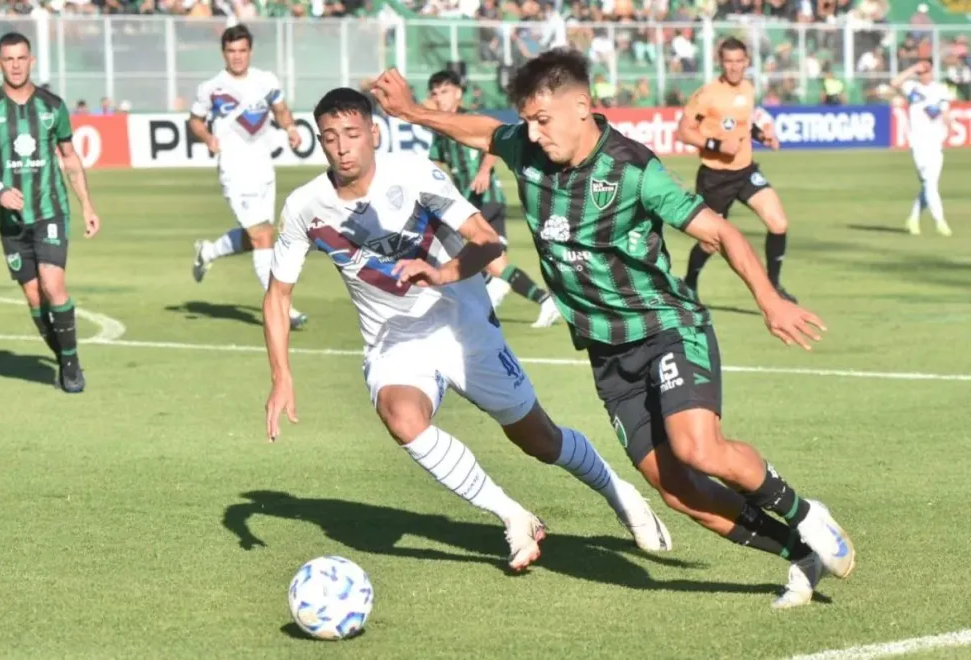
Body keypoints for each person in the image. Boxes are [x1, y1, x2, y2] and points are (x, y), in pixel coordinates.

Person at [370, 48, 856, 608]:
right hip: (607, 353)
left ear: (582, 107)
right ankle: (799, 553)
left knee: (698, 448)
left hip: (666, 326)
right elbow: (483, 131)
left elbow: (720, 232)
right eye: (526, 121)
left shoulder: (633, 170)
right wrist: (410, 112)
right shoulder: (527, 148)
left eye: (542, 120)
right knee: (678, 491)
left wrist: (769, 300)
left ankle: (806, 514)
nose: (532, 133)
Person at [262, 87, 672, 572]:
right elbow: (278, 295)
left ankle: (619, 492)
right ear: (320, 141)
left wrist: (439, 274)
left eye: (352, 134)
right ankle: (513, 516)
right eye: (330, 137)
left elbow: (486, 241)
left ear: (374, 133)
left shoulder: (414, 174)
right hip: (394, 341)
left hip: (463, 327)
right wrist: (281, 376)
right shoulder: (305, 207)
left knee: (539, 440)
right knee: (402, 418)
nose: (342, 147)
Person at [0, 32, 101, 393]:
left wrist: (87, 204)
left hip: (51, 211)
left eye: (21, 58)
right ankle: (63, 354)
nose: (16, 65)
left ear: (31, 61)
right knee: (34, 296)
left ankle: (71, 365)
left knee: (52, 284)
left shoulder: (53, 105)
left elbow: (69, 158)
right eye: (9, 59)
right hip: (11, 220)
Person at [188, 23, 308, 329]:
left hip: (263, 168)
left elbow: (281, 109)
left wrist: (291, 128)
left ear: (250, 51)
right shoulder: (212, 87)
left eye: (242, 50)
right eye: (231, 51)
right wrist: (208, 138)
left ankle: (208, 251)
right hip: (234, 169)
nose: (237, 56)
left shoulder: (265, 80)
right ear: (223, 53)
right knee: (262, 235)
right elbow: (195, 121)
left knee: (261, 234)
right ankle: (281, 308)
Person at [426, 69, 561, 329]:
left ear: (458, 93)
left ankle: (534, 298)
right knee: (495, 264)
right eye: (435, 93)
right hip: (469, 202)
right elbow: (435, 163)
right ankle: (529, 296)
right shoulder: (440, 130)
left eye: (444, 91)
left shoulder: (470, 119)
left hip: (485, 200)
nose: (439, 97)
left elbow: (495, 141)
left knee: (470, 255)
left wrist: (484, 171)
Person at [676, 37, 798, 303]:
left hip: (744, 172)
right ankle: (689, 282)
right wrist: (717, 145)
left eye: (739, 61)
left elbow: (744, 125)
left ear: (747, 62)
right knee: (710, 243)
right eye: (728, 62)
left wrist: (762, 136)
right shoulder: (707, 94)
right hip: (715, 178)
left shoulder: (748, 88)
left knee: (778, 223)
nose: (734, 67)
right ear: (721, 62)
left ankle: (773, 286)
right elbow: (683, 132)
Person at [891, 59, 953, 237]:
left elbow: (945, 112)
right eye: (920, 73)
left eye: (925, 71)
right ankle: (940, 221)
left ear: (932, 72)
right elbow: (894, 83)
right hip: (918, 142)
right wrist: (912, 68)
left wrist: (948, 126)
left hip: (935, 142)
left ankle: (913, 219)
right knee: (929, 183)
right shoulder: (912, 87)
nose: (923, 75)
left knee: (930, 184)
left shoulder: (940, 90)